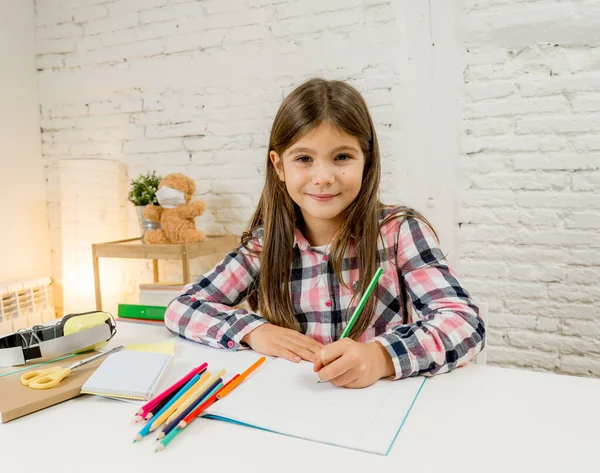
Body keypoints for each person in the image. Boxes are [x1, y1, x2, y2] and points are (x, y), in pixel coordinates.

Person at [165, 77, 485, 388]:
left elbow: (464, 322)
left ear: (366, 159)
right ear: (279, 166)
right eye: (304, 159)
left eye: (342, 157)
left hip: (375, 408)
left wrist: (381, 357)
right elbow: (183, 306)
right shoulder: (266, 243)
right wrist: (252, 331)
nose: (323, 177)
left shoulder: (398, 231)